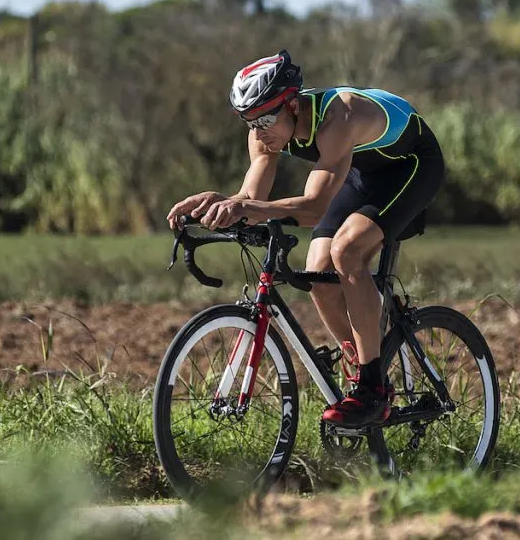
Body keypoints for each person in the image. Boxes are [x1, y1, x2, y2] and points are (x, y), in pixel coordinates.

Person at [166, 49, 445, 428]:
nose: (258, 130)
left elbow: (313, 208)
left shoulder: (338, 117)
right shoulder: (264, 134)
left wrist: (247, 209)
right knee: (317, 274)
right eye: (247, 121)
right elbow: (252, 198)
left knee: (347, 250)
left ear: (293, 104)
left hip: (410, 164)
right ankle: (360, 358)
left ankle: (372, 388)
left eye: (265, 118)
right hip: (357, 168)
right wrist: (222, 202)